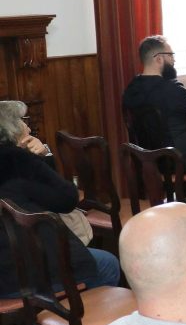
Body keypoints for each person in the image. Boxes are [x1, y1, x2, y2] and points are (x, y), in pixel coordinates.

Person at [0, 100, 120, 300]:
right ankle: (74, 323)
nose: (28, 127)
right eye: (22, 121)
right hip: (28, 274)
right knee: (108, 263)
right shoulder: (19, 160)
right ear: (11, 128)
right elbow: (67, 199)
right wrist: (44, 155)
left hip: (6, 273)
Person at [122, 35, 186, 155]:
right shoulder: (171, 90)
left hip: (146, 161)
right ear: (159, 59)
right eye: (170, 55)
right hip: (180, 161)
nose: (174, 60)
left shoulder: (130, 89)